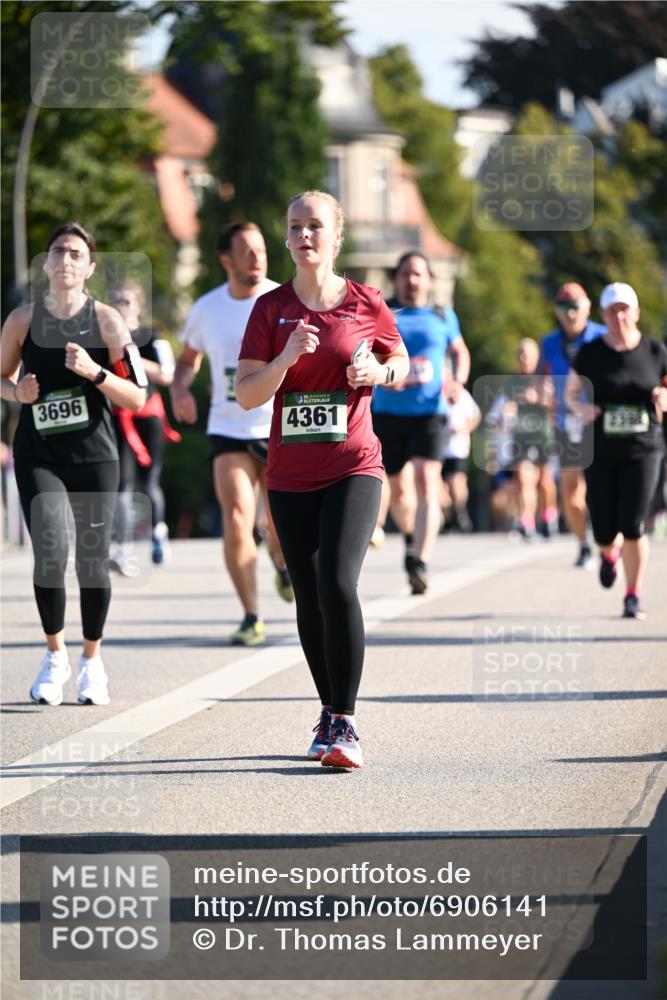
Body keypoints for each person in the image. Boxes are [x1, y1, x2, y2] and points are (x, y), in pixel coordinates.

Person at [236, 190, 409, 768]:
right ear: (286, 239)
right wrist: (283, 359)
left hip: (354, 464)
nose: (304, 235)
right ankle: (327, 710)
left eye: (315, 226)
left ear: (336, 237)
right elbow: (246, 394)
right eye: (295, 226)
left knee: (338, 583)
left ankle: (347, 722)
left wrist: (378, 370)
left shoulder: (365, 301)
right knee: (308, 597)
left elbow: (400, 363)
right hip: (289, 474)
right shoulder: (269, 309)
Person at [0, 222, 146, 705]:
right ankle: (54, 654)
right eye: (58, 251)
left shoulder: (107, 322)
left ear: (90, 267)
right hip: (40, 453)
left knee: (90, 562)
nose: (65, 259)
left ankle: (91, 661)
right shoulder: (22, 320)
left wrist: (96, 371)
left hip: (94, 456)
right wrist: (15, 391)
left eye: (76, 253)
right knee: (50, 550)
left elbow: (137, 396)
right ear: (45, 263)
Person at [170, 222, 293, 647]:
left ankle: (281, 564)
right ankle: (251, 615)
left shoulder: (283, 299)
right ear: (226, 259)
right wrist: (180, 387)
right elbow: (187, 361)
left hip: (278, 427)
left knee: (278, 528)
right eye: (247, 251)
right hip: (227, 428)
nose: (257, 257)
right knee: (238, 517)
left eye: (261, 249)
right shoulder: (207, 308)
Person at [566, 282, 667, 618]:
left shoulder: (655, 352)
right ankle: (609, 554)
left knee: (634, 522)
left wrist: (662, 398)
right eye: (612, 310)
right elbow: (570, 392)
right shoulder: (591, 353)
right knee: (606, 527)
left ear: (636, 313)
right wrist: (580, 409)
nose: (619, 316)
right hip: (601, 448)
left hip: (645, 447)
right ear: (604, 316)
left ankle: (633, 593)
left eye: (625, 309)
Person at [371, 252, 471, 593]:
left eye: (417, 274)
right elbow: (363, 350)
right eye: (405, 274)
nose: (411, 280)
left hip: (430, 412)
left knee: (429, 481)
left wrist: (458, 380)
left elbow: (461, 351)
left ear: (428, 279)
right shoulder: (382, 312)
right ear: (395, 279)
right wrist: (385, 372)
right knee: (399, 491)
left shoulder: (443, 315)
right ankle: (411, 537)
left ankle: (420, 561)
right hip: (387, 412)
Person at [109, 281, 180, 575]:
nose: (119, 307)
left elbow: (167, 374)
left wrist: (134, 357)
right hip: (119, 415)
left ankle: (158, 534)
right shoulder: (105, 335)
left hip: (147, 413)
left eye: (125, 301)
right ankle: (122, 548)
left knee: (149, 481)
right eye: (114, 301)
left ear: (138, 305)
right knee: (122, 485)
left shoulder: (151, 334)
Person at [539, 282, 605, 565]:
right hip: (567, 424)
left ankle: (606, 538)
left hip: (601, 421)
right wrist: (542, 392)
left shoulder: (602, 337)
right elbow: (543, 377)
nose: (570, 313)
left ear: (588, 307)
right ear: (557, 310)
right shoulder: (549, 343)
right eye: (564, 307)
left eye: (575, 306)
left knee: (600, 486)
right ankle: (583, 543)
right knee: (570, 487)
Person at [504, 338, 557, 541]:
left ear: (536, 356)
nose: (524, 358)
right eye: (521, 353)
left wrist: (538, 398)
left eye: (527, 353)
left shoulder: (544, 377)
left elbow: (555, 404)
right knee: (525, 479)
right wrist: (508, 410)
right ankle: (527, 522)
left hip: (543, 436)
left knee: (544, 480)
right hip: (521, 437)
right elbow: (508, 403)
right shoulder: (513, 381)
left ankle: (548, 516)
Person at [440, 369, 481, 533]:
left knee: (456, 484)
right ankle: (448, 517)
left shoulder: (464, 396)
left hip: (458, 449)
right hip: (439, 449)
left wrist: (465, 428)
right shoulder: (439, 396)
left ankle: (460, 511)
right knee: (440, 488)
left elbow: (476, 417)